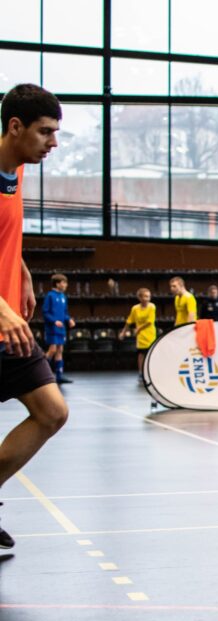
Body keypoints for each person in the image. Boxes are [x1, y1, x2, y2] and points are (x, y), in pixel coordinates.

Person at [0, 83, 69, 549]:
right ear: (15, 126)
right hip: (2, 318)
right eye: (45, 132)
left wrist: (20, 270)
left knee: (51, 412)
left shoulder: (18, 170)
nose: (53, 142)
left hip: (10, 327)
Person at [42, 273, 75, 384]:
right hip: (52, 328)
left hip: (61, 329)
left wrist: (69, 319)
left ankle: (59, 376)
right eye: (64, 283)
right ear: (57, 284)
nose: (66, 285)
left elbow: (65, 313)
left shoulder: (63, 297)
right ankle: (40, 372)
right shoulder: (50, 296)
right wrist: (54, 321)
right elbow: (45, 312)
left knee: (60, 350)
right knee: (52, 350)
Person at [119, 287, 156, 382]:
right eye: (145, 296)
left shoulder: (152, 307)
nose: (147, 299)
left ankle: (151, 372)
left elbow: (150, 321)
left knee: (151, 353)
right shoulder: (135, 308)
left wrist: (139, 328)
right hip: (140, 336)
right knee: (141, 354)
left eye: (148, 296)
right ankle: (141, 373)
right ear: (140, 298)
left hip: (150, 334)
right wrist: (123, 332)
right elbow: (129, 321)